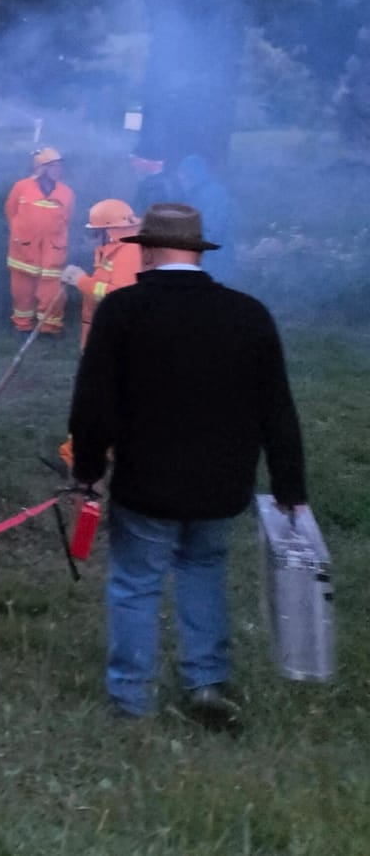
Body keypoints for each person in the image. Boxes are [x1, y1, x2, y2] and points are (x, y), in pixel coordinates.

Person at [68, 203, 307, 728]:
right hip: (221, 487)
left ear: (147, 250)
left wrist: (86, 469)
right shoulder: (248, 314)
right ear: (196, 253)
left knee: (136, 583)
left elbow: (94, 403)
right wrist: (291, 485)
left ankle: (130, 700)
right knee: (204, 572)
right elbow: (277, 409)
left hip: (146, 484)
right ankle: (206, 683)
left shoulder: (124, 311)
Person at [5, 146, 75, 336]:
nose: (57, 169)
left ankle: (49, 328)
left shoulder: (66, 192)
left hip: (53, 250)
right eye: (52, 166)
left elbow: (67, 218)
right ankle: (23, 325)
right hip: (23, 250)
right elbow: (11, 211)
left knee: (52, 292)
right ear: (40, 168)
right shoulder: (21, 187)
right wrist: (22, 233)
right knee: (22, 292)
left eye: (59, 165)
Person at [63, 200, 142, 349]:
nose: (90, 238)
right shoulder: (116, 248)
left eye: (94, 232)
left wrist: (81, 281)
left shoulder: (130, 252)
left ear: (109, 230)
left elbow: (119, 297)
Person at [177, 154, 238, 285]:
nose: (180, 180)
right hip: (202, 265)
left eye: (183, 175)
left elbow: (212, 233)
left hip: (214, 266)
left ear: (191, 174)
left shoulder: (213, 195)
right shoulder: (193, 194)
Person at [128, 151, 176, 216]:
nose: (132, 165)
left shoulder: (154, 185)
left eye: (135, 160)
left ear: (147, 160)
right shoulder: (172, 180)